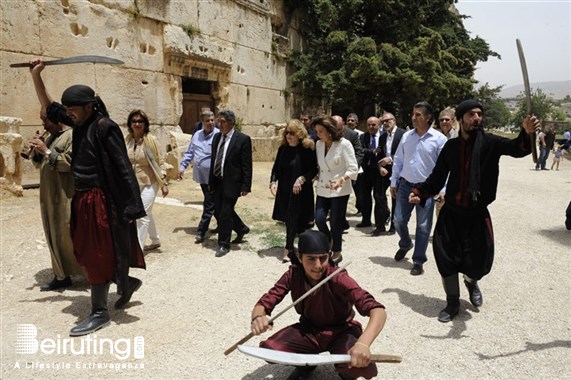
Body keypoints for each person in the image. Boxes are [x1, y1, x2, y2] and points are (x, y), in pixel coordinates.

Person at [409, 99, 540, 322]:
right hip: (451, 214)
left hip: (477, 215)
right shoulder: (451, 147)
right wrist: (420, 192)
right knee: (446, 258)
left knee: (478, 262)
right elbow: (438, 176)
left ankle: (471, 281)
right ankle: (452, 303)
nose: (476, 118)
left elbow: (518, 148)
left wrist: (526, 133)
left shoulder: (490, 143)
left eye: (479, 114)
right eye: (471, 114)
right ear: (461, 119)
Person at [60, 84, 146, 336]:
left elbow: (122, 168)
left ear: (89, 106)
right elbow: (51, 110)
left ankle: (99, 312)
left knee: (96, 254)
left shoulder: (104, 127)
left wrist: (131, 208)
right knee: (86, 249)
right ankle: (126, 282)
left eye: (72, 108)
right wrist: (36, 75)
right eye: (67, 109)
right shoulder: (80, 122)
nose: (68, 113)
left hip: (100, 201)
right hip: (82, 198)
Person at [250, 230, 387, 380]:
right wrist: (258, 317)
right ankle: (306, 364)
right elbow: (264, 302)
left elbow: (378, 310)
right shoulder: (293, 275)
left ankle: (345, 373)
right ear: (299, 257)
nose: (318, 266)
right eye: (311, 259)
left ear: (329, 256)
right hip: (309, 330)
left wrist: (363, 344)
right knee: (270, 350)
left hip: (341, 331)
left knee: (361, 367)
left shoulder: (339, 277)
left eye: (323, 258)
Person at [28, 60, 83, 291]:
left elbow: (69, 164)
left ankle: (83, 272)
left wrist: (47, 151)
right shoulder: (51, 136)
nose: (44, 124)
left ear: (58, 120)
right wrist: (36, 152)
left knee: (67, 237)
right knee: (51, 234)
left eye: (46, 120)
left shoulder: (71, 136)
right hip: (49, 197)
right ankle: (61, 275)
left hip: (65, 197)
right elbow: (40, 163)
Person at [390, 102, 447, 276]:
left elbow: (445, 168)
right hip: (406, 185)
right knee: (398, 220)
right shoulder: (407, 136)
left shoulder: (439, 139)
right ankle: (406, 243)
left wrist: (443, 188)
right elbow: (398, 159)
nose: (413, 118)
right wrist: (393, 181)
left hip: (427, 189)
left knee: (423, 226)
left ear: (428, 117)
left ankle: (418, 260)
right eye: (413, 114)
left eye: (418, 115)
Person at [269, 119, 317, 263]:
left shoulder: (307, 149)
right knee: (290, 220)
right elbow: (276, 169)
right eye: (286, 132)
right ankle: (292, 248)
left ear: (299, 134)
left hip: (301, 191)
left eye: (292, 133)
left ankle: (297, 249)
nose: (288, 135)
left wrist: (302, 179)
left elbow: (313, 170)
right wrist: (272, 182)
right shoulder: (283, 149)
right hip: (285, 190)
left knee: (299, 221)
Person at [313, 116, 359, 264]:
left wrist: (341, 179)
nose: (318, 134)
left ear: (330, 130)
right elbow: (320, 166)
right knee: (319, 219)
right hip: (323, 188)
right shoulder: (319, 145)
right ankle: (329, 241)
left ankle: (337, 250)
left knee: (335, 222)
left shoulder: (344, 144)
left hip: (340, 189)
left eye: (321, 131)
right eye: (316, 131)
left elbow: (353, 167)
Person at [208, 109, 252, 258]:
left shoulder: (242, 139)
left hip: (232, 182)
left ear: (231, 123)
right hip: (217, 180)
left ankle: (223, 244)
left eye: (223, 121)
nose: (219, 124)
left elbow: (247, 164)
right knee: (218, 210)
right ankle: (241, 228)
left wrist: (246, 185)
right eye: (218, 121)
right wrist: (210, 181)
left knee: (226, 212)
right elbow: (214, 160)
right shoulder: (216, 138)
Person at [125, 110, 169, 251]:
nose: (137, 124)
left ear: (145, 124)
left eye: (140, 121)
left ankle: (137, 249)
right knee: (146, 213)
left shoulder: (151, 140)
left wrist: (164, 183)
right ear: (130, 124)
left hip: (150, 182)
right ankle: (155, 240)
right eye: (134, 121)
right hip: (133, 183)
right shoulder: (128, 140)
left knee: (141, 215)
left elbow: (160, 162)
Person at [179, 110, 220, 243]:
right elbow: (190, 152)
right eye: (207, 120)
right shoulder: (197, 135)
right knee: (214, 203)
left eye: (212, 120)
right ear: (202, 122)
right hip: (201, 177)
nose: (211, 123)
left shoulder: (219, 135)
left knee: (209, 203)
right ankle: (234, 227)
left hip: (214, 177)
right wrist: (182, 166)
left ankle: (201, 231)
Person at [377, 112, 405, 235]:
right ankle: (380, 224)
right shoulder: (382, 137)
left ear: (394, 121)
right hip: (385, 170)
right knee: (378, 196)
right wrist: (379, 167)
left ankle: (393, 226)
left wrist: (391, 159)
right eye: (383, 121)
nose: (386, 123)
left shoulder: (403, 134)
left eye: (388, 120)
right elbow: (380, 154)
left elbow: (406, 153)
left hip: (398, 169)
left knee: (395, 197)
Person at [358, 116, 384, 234]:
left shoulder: (384, 136)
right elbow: (361, 150)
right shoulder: (363, 137)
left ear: (379, 125)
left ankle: (380, 223)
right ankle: (366, 220)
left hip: (379, 171)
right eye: (369, 125)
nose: (371, 127)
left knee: (378, 197)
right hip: (366, 170)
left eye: (373, 125)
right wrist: (372, 151)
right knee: (365, 196)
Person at [433, 108, 458, 217]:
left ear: (453, 121)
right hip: (439, 178)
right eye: (441, 120)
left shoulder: (458, 137)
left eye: (447, 120)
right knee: (439, 211)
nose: (444, 122)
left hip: (454, 180)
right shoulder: (436, 137)